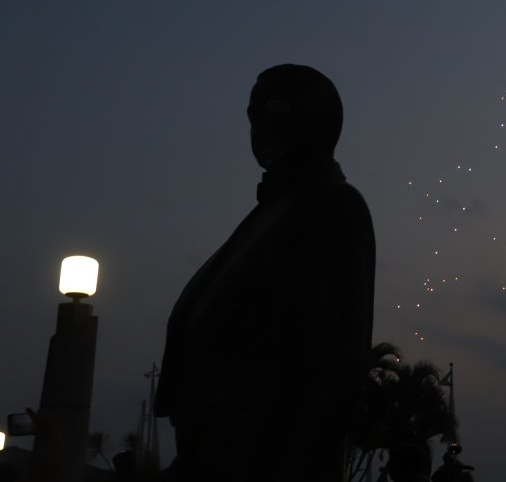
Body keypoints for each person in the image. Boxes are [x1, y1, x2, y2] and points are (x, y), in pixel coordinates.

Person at [156, 65, 376, 482]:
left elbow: (334, 365)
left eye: (276, 110)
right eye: (254, 114)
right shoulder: (267, 215)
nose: (260, 127)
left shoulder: (335, 207)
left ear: (316, 118)